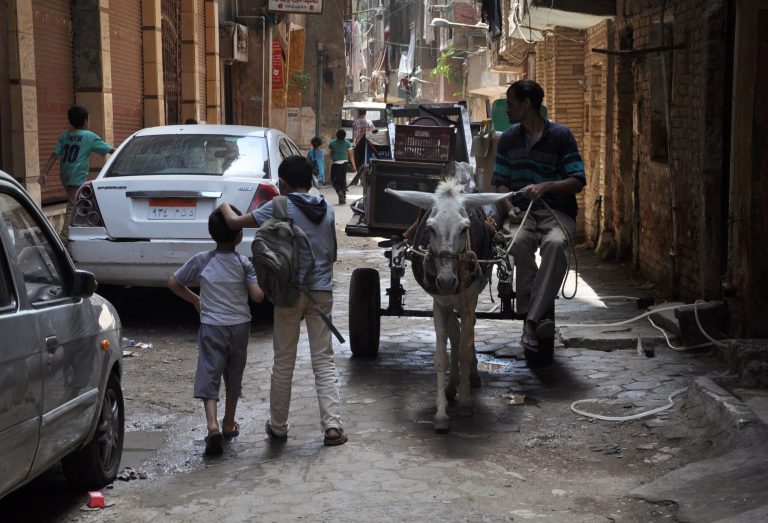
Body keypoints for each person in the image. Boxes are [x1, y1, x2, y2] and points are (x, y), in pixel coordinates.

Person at [218, 155, 348, 447]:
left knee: (284, 361)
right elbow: (331, 252)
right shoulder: (326, 209)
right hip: (321, 292)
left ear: (284, 183)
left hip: (289, 293)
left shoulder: (278, 206)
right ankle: (332, 428)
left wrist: (223, 204)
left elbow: (234, 221)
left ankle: (278, 427)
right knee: (323, 360)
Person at [492, 79, 586, 351]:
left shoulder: (561, 136)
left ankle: (530, 320)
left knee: (555, 245)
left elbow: (578, 180)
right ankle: (534, 311)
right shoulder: (508, 139)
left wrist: (545, 187)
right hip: (521, 212)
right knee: (518, 242)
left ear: (527, 104)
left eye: (510, 103)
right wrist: (509, 207)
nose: (507, 109)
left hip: (557, 212)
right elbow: (500, 182)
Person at [168, 207, 265, 456]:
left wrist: (195, 299)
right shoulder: (244, 264)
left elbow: (174, 283)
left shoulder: (203, 260)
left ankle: (211, 425)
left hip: (212, 327)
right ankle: (228, 423)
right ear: (239, 235)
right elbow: (257, 296)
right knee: (234, 375)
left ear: (213, 234)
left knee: (209, 372)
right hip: (240, 327)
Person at [41, 105, 114, 244]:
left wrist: (45, 172)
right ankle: (62, 240)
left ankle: (82, 232)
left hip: (65, 176)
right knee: (72, 207)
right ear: (86, 121)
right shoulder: (89, 137)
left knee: (83, 205)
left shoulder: (65, 136)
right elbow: (111, 150)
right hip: (77, 177)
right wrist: (128, 153)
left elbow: (54, 155)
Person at [328, 129, 356, 205]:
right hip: (344, 163)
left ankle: (339, 191)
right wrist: (354, 165)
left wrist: (333, 159)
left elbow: (330, 154)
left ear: (337, 135)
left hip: (335, 164)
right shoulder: (347, 143)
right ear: (345, 136)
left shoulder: (332, 143)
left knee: (334, 180)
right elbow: (350, 155)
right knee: (343, 179)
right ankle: (343, 197)